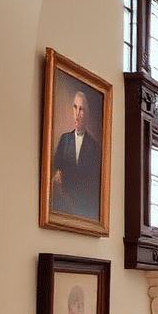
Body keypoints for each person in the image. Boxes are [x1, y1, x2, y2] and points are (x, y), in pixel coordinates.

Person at [52, 88, 102, 220]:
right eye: (75, 107)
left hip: (84, 208)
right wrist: (56, 173)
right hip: (63, 206)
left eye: (81, 109)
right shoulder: (64, 139)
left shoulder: (95, 147)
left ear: (87, 114)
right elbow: (55, 165)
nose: (77, 113)